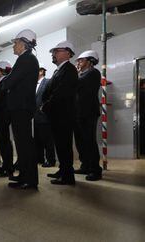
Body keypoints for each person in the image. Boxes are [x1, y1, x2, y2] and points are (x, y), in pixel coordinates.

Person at [0, 29, 39, 189]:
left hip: (22, 107)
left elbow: (9, 82)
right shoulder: (26, 59)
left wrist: (6, 84)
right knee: (21, 144)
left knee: (25, 144)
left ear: (22, 43)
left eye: (15, 43)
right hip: (20, 107)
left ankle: (30, 180)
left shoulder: (26, 59)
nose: (14, 46)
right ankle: (24, 176)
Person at [41, 41, 78, 185]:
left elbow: (61, 94)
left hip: (64, 116)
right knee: (60, 146)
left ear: (68, 53)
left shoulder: (69, 70)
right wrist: (45, 103)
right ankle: (63, 170)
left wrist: (45, 106)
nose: (53, 54)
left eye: (57, 51)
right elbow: (48, 91)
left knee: (64, 146)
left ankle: (68, 176)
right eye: (53, 52)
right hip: (57, 115)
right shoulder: (59, 71)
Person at [74, 50, 102, 181]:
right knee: (80, 141)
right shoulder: (81, 74)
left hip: (88, 112)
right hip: (79, 112)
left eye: (81, 60)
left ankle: (95, 170)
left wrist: (74, 75)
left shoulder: (94, 73)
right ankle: (85, 165)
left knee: (89, 141)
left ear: (90, 61)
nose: (78, 62)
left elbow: (79, 84)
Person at [34, 67, 56, 168]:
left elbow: (52, 96)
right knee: (37, 139)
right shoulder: (34, 84)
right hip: (36, 116)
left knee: (48, 139)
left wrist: (45, 107)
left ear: (41, 71)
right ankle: (39, 158)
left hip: (45, 116)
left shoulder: (48, 82)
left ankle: (51, 160)